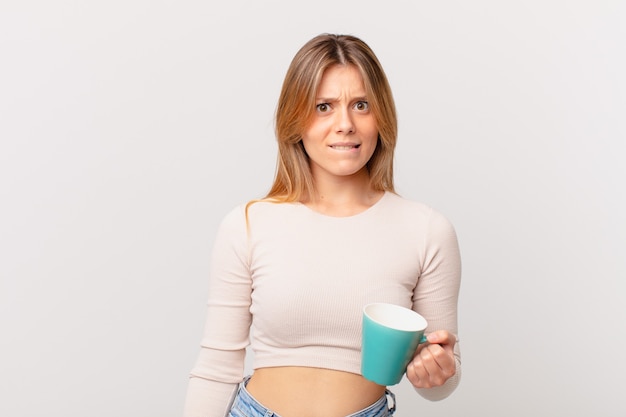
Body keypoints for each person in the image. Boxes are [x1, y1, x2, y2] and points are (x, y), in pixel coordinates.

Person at [183, 33, 462, 417]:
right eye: (324, 106)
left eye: (361, 105)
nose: (345, 124)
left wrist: (438, 371)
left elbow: (440, 382)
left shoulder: (427, 230)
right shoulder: (248, 225)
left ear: (381, 116)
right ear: (295, 120)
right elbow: (216, 368)